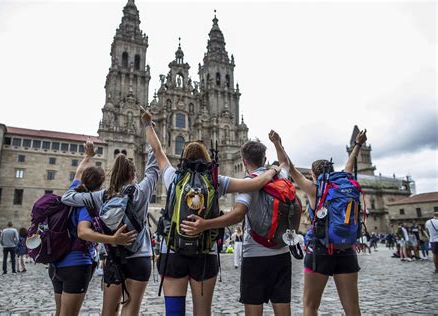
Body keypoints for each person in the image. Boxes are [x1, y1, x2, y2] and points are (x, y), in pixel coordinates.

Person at [141, 107, 281, 316]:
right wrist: (272, 169)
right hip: (205, 253)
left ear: (183, 158)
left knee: (174, 312)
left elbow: (159, 151)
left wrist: (147, 124)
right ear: (207, 159)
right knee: (203, 311)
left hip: (173, 251)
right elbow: (254, 184)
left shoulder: (173, 177)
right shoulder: (216, 181)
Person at [180, 130, 292, 316]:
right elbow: (285, 163)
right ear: (265, 159)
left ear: (244, 161)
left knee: (254, 309)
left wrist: (205, 224)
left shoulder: (248, 182)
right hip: (282, 253)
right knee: (282, 308)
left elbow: (238, 215)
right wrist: (277, 144)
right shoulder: (281, 177)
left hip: (255, 255)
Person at [61, 140, 158, 316]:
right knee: (131, 309)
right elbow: (154, 167)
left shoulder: (101, 196)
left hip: (114, 258)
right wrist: (150, 134)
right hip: (140, 258)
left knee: (108, 312)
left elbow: (67, 197)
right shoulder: (141, 192)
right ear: (134, 175)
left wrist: (81, 175)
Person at [278, 129, 367, 316]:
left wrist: (278, 144)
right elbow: (350, 163)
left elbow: (290, 168)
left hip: (320, 250)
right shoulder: (346, 181)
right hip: (346, 250)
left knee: (310, 305)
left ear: (313, 174)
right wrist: (357, 144)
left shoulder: (314, 189)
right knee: (352, 308)